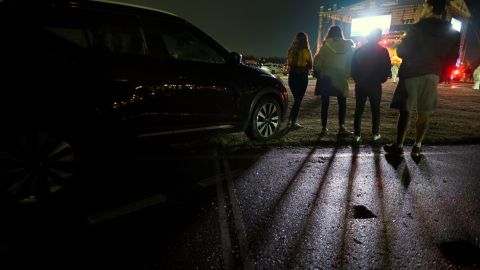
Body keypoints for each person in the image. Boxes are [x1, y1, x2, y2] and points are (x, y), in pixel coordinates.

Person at [384, 0, 460, 157]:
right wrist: (441, 74)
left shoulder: (417, 28)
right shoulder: (452, 33)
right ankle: (417, 146)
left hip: (412, 73)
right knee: (424, 112)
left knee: (406, 111)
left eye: (425, 6)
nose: (423, 9)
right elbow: (452, 58)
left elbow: (402, 52)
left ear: (431, 7)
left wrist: (401, 48)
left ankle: (399, 145)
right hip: (432, 74)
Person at [351, 28, 391, 143]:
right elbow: (387, 68)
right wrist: (381, 79)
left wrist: (357, 79)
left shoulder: (359, 50)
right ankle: (375, 133)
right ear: (379, 37)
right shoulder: (383, 51)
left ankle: (357, 133)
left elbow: (353, 68)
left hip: (361, 83)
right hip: (374, 83)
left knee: (359, 109)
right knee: (375, 109)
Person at [313, 25, 354, 135]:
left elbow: (317, 63)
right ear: (341, 34)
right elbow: (350, 64)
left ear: (329, 33)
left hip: (327, 78)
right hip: (340, 77)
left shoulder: (325, 46)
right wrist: (346, 74)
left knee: (325, 103)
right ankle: (341, 126)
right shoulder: (348, 46)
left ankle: (324, 127)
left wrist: (321, 71)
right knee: (342, 103)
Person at [286, 32, 313, 130]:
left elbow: (289, 63)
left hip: (292, 76)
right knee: (298, 100)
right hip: (302, 76)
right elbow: (310, 66)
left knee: (296, 100)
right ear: (305, 40)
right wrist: (303, 66)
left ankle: (290, 120)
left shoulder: (291, 50)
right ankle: (292, 122)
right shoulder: (306, 51)